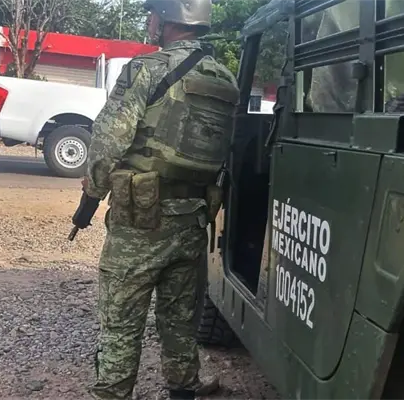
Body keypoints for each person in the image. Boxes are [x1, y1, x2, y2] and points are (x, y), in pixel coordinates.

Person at [80, 0, 240, 398]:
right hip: (194, 216)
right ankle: (183, 387)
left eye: (153, 14)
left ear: (170, 19)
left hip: (141, 220)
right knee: (181, 316)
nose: (150, 21)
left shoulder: (146, 69)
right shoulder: (225, 79)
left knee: (121, 320)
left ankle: (112, 393)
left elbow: (109, 141)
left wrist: (91, 195)